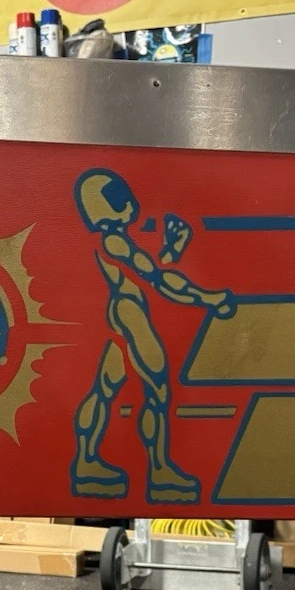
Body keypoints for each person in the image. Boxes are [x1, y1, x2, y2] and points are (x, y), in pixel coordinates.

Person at [70, 169, 234, 504]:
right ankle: (160, 472)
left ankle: (86, 463)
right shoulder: (115, 242)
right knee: (157, 391)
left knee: (104, 389)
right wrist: (209, 298)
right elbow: (159, 281)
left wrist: (171, 251)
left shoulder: (111, 241)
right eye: (119, 196)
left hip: (121, 314)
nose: (130, 202)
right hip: (131, 316)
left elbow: (152, 270)